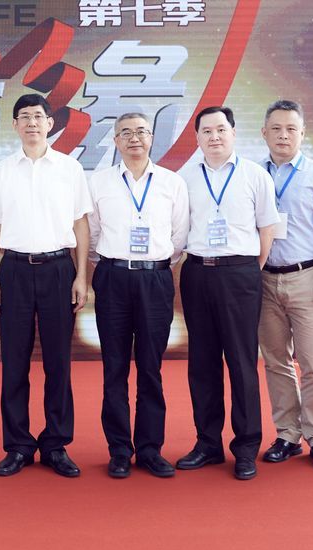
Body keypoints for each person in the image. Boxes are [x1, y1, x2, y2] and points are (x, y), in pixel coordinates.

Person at [0, 94, 93, 478]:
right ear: (15, 125)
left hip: (59, 269)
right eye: (24, 117)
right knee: (14, 362)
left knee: (58, 362)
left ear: (50, 123)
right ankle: (18, 446)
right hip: (13, 270)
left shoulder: (69, 168)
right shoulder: (0, 171)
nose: (31, 123)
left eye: (38, 116)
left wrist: (81, 276)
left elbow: (80, 225)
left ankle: (56, 444)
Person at [177, 106, 280, 481]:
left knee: (241, 361)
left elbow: (267, 228)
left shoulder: (254, 175)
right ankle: (207, 443)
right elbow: (178, 228)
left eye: (221, 129)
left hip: (240, 274)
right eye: (206, 131)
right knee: (202, 363)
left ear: (234, 132)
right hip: (197, 272)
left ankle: (247, 446)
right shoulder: (184, 178)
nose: (214, 136)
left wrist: (249, 267)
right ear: (197, 138)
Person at [88, 112, 189, 479]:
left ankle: (149, 449)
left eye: (141, 132)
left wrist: (153, 263)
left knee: (150, 367)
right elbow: (92, 234)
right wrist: (117, 261)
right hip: (112, 277)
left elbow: (179, 236)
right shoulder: (98, 182)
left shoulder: (172, 183)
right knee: (114, 367)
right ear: (116, 141)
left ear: (151, 138)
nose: (134, 138)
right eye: (126, 133)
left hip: (155, 280)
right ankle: (119, 450)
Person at [257, 100, 313, 471]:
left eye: (291, 129)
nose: (283, 135)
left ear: (302, 133)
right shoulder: (252, 175)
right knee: (276, 362)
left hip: (307, 277)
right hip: (263, 279)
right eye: (276, 128)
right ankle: (287, 435)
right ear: (264, 133)